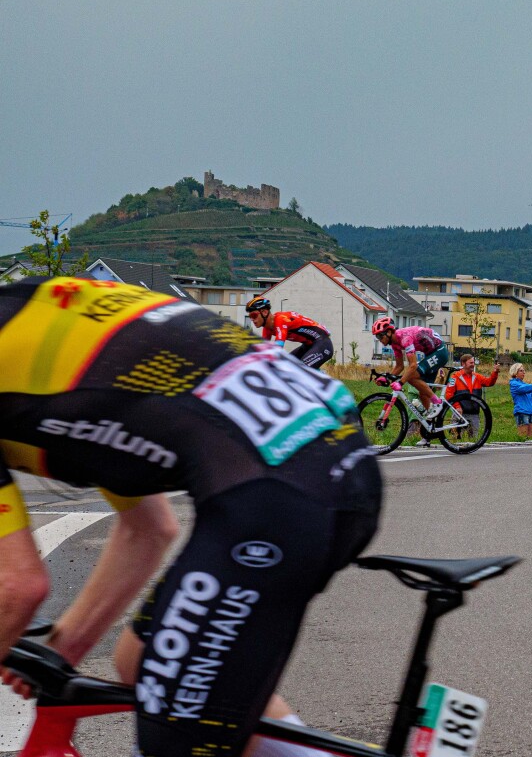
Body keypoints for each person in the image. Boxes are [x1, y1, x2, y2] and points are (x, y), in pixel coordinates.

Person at [0, 276, 382, 757]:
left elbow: (16, 587)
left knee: (177, 729)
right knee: (142, 659)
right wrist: (60, 654)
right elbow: (149, 530)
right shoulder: (35, 313)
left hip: (278, 493)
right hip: (327, 458)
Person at [371, 317, 449, 420]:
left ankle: (437, 403)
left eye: (380, 336)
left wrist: (401, 382)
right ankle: (432, 425)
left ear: (389, 332)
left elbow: (413, 365)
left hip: (440, 352)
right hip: (430, 353)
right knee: (423, 394)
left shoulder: (404, 338)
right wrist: (387, 378)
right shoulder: (394, 344)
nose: (379, 340)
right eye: (377, 337)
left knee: (411, 377)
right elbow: (400, 366)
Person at [246, 297, 334, 369]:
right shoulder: (267, 328)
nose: (252, 319)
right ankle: (319, 377)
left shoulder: (280, 320)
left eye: (254, 315)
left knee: (301, 371)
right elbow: (263, 350)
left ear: (264, 312)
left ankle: (323, 382)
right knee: (287, 367)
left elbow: (278, 348)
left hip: (322, 343)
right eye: (250, 316)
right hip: (308, 346)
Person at [444, 354, 501, 438]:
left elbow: (489, 382)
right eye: (470, 363)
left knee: (474, 439)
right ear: (463, 364)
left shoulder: (477, 376)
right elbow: (449, 394)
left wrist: (495, 372)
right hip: (460, 413)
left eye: (473, 362)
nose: (473, 364)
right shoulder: (454, 377)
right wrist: (457, 407)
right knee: (456, 438)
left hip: (474, 413)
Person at [508, 362, 532, 439]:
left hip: (530, 413)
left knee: (529, 438)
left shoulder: (523, 384)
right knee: (523, 438)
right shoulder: (514, 384)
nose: (524, 372)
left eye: (524, 370)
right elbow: (528, 388)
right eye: (521, 371)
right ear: (515, 372)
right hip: (522, 412)